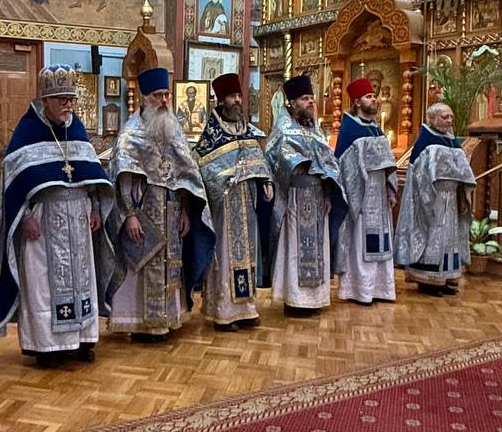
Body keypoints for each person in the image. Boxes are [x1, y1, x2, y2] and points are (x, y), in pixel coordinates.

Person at [0, 66, 115, 367]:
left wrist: (95, 206)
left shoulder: (76, 129)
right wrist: (24, 216)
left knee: (82, 278)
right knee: (43, 284)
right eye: (61, 99)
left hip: (78, 218)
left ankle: (83, 340)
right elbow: (14, 183)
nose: (68, 105)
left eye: (71, 99)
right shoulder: (27, 132)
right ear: (45, 100)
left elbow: (92, 175)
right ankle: (47, 346)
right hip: (43, 221)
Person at [106, 67, 214, 341]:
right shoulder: (130, 134)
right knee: (142, 266)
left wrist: (186, 210)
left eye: (167, 94)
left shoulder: (173, 129)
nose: (164, 100)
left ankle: (168, 319)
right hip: (145, 211)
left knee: (171, 265)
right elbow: (122, 177)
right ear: (145, 98)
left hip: (172, 210)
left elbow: (186, 175)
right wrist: (129, 215)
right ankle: (142, 324)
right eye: (158, 95)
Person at [195, 73, 273, 330]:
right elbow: (205, 167)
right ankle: (224, 312)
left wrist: (266, 181)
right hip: (224, 204)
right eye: (232, 96)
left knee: (247, 254)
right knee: (226, 255)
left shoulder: (245, 128)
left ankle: (246, 308)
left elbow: (258, 159)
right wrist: (228, 178)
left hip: (246, 200)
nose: (237, 100)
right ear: (221, 100)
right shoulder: (212, 133)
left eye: (239, 95)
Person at [265, 74, 344, 316]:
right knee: (293, 250)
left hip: (318, 196)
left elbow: (329, 162)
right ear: (292, 103)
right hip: (294, 197)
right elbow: (275, 157)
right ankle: (294, 299)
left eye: (311, 97)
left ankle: (315, 299)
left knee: (317, 249)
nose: (310, 102)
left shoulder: (317, 131)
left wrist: (328, 193)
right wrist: (301, 164)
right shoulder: (283, 128)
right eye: (304, 98)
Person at [394, 102, 476, 296]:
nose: (449, 121)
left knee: (449, 238)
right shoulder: (426, 141)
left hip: (451, 199)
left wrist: (462, 186)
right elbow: (420, 174)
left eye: (451, 117)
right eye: (444, 117)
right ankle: (427, 280)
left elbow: (462, 168)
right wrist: (430, 195)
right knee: (433, 236)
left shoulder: (451, 140)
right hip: (432, 199)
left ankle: (445, 277)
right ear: (431, 119)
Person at [333, 78, 397, 305]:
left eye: (374, 96)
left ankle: (380, 288)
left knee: (381, 240)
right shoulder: (350, 128)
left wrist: (390, 189)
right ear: (357, 101)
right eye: (369, 97)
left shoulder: (376, 129)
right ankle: (360, 290)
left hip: (379, 192)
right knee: (360, 241)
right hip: (360, 192)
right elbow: (344, 164)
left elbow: (388, 163)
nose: (374, 100)